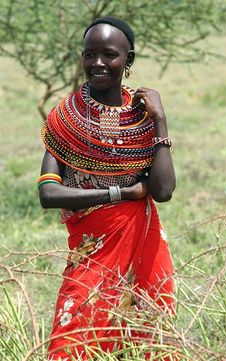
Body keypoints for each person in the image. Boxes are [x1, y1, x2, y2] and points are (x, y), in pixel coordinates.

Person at [39, 16, 176, 361]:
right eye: (89, 54)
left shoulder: (144, 118)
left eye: (109, 55)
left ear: (128, 60)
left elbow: (162, 191)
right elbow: (48, 194)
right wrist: (120, 193)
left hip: (142, 243)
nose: (97, 64)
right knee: (72, 340)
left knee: (146, 335)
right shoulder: (66, 119)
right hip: (91, 251)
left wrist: (160, 120)